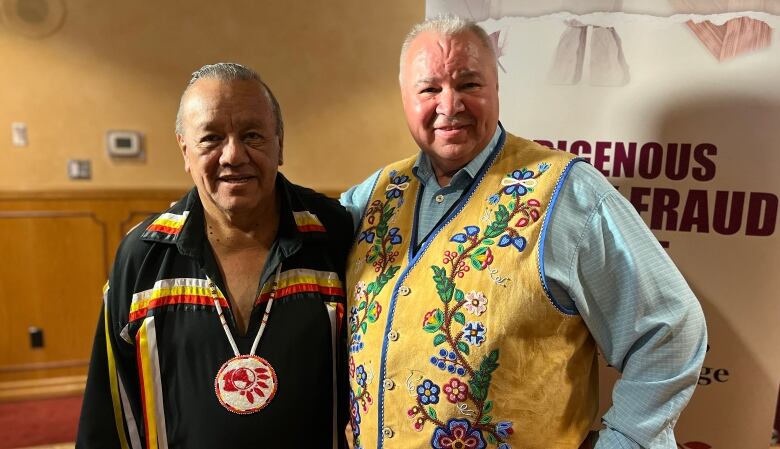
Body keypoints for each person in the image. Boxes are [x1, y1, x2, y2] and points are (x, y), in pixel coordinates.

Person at [340, 15, 707, 449]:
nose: (449, 104)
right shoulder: (373, 196)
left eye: (469, 84)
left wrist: (624, 442)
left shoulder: (569, 193)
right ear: (403, 97)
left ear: (496, 88)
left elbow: (671, 329)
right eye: (429, 88)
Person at [77, 63, 352, 449]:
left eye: (252, 135)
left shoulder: (336, 236)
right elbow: (108, 416)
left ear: (280, 144)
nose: (233, 155)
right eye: (211, 138)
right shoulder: (142, 257)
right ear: (185, 150)